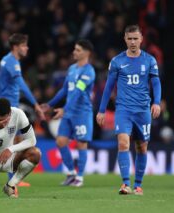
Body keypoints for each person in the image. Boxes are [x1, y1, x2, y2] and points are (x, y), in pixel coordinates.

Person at [96, 25, 161, 195]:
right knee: (123, 143)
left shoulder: (149, 60)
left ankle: (138, 185)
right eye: (129, 38)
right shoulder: (117, 61)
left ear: (141, 39)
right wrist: (101, 110)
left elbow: (155, 83)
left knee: (141, 147)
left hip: (142, 110)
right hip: (123, 109)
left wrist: (157, 102)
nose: (133, 42)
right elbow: (109, 87)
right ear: (125, 39)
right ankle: (125, 184)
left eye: (135, 38)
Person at [0, 33, 45, 187]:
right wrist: (35, 104)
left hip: (10, 104)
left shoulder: (8, 60)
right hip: (9, 106)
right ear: (16, 47)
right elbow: (21, 84)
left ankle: (9, 177)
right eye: (24, 45)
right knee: (11, 140)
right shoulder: (11, 62)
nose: (27, 48)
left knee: (15, 140)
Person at [41, 39, 95, 187]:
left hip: (82, 113)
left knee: (81, 144)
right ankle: (71, 173)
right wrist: (50, 104)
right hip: (69, 112)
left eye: (78, 50)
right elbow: (65, 90)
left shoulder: (89, 71)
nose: (74, 52)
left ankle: (80, 177)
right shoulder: (72, 69)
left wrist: (64, 109)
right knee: (60, 141)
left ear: (86, 53)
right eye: (75, 49)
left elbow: (78, 91)